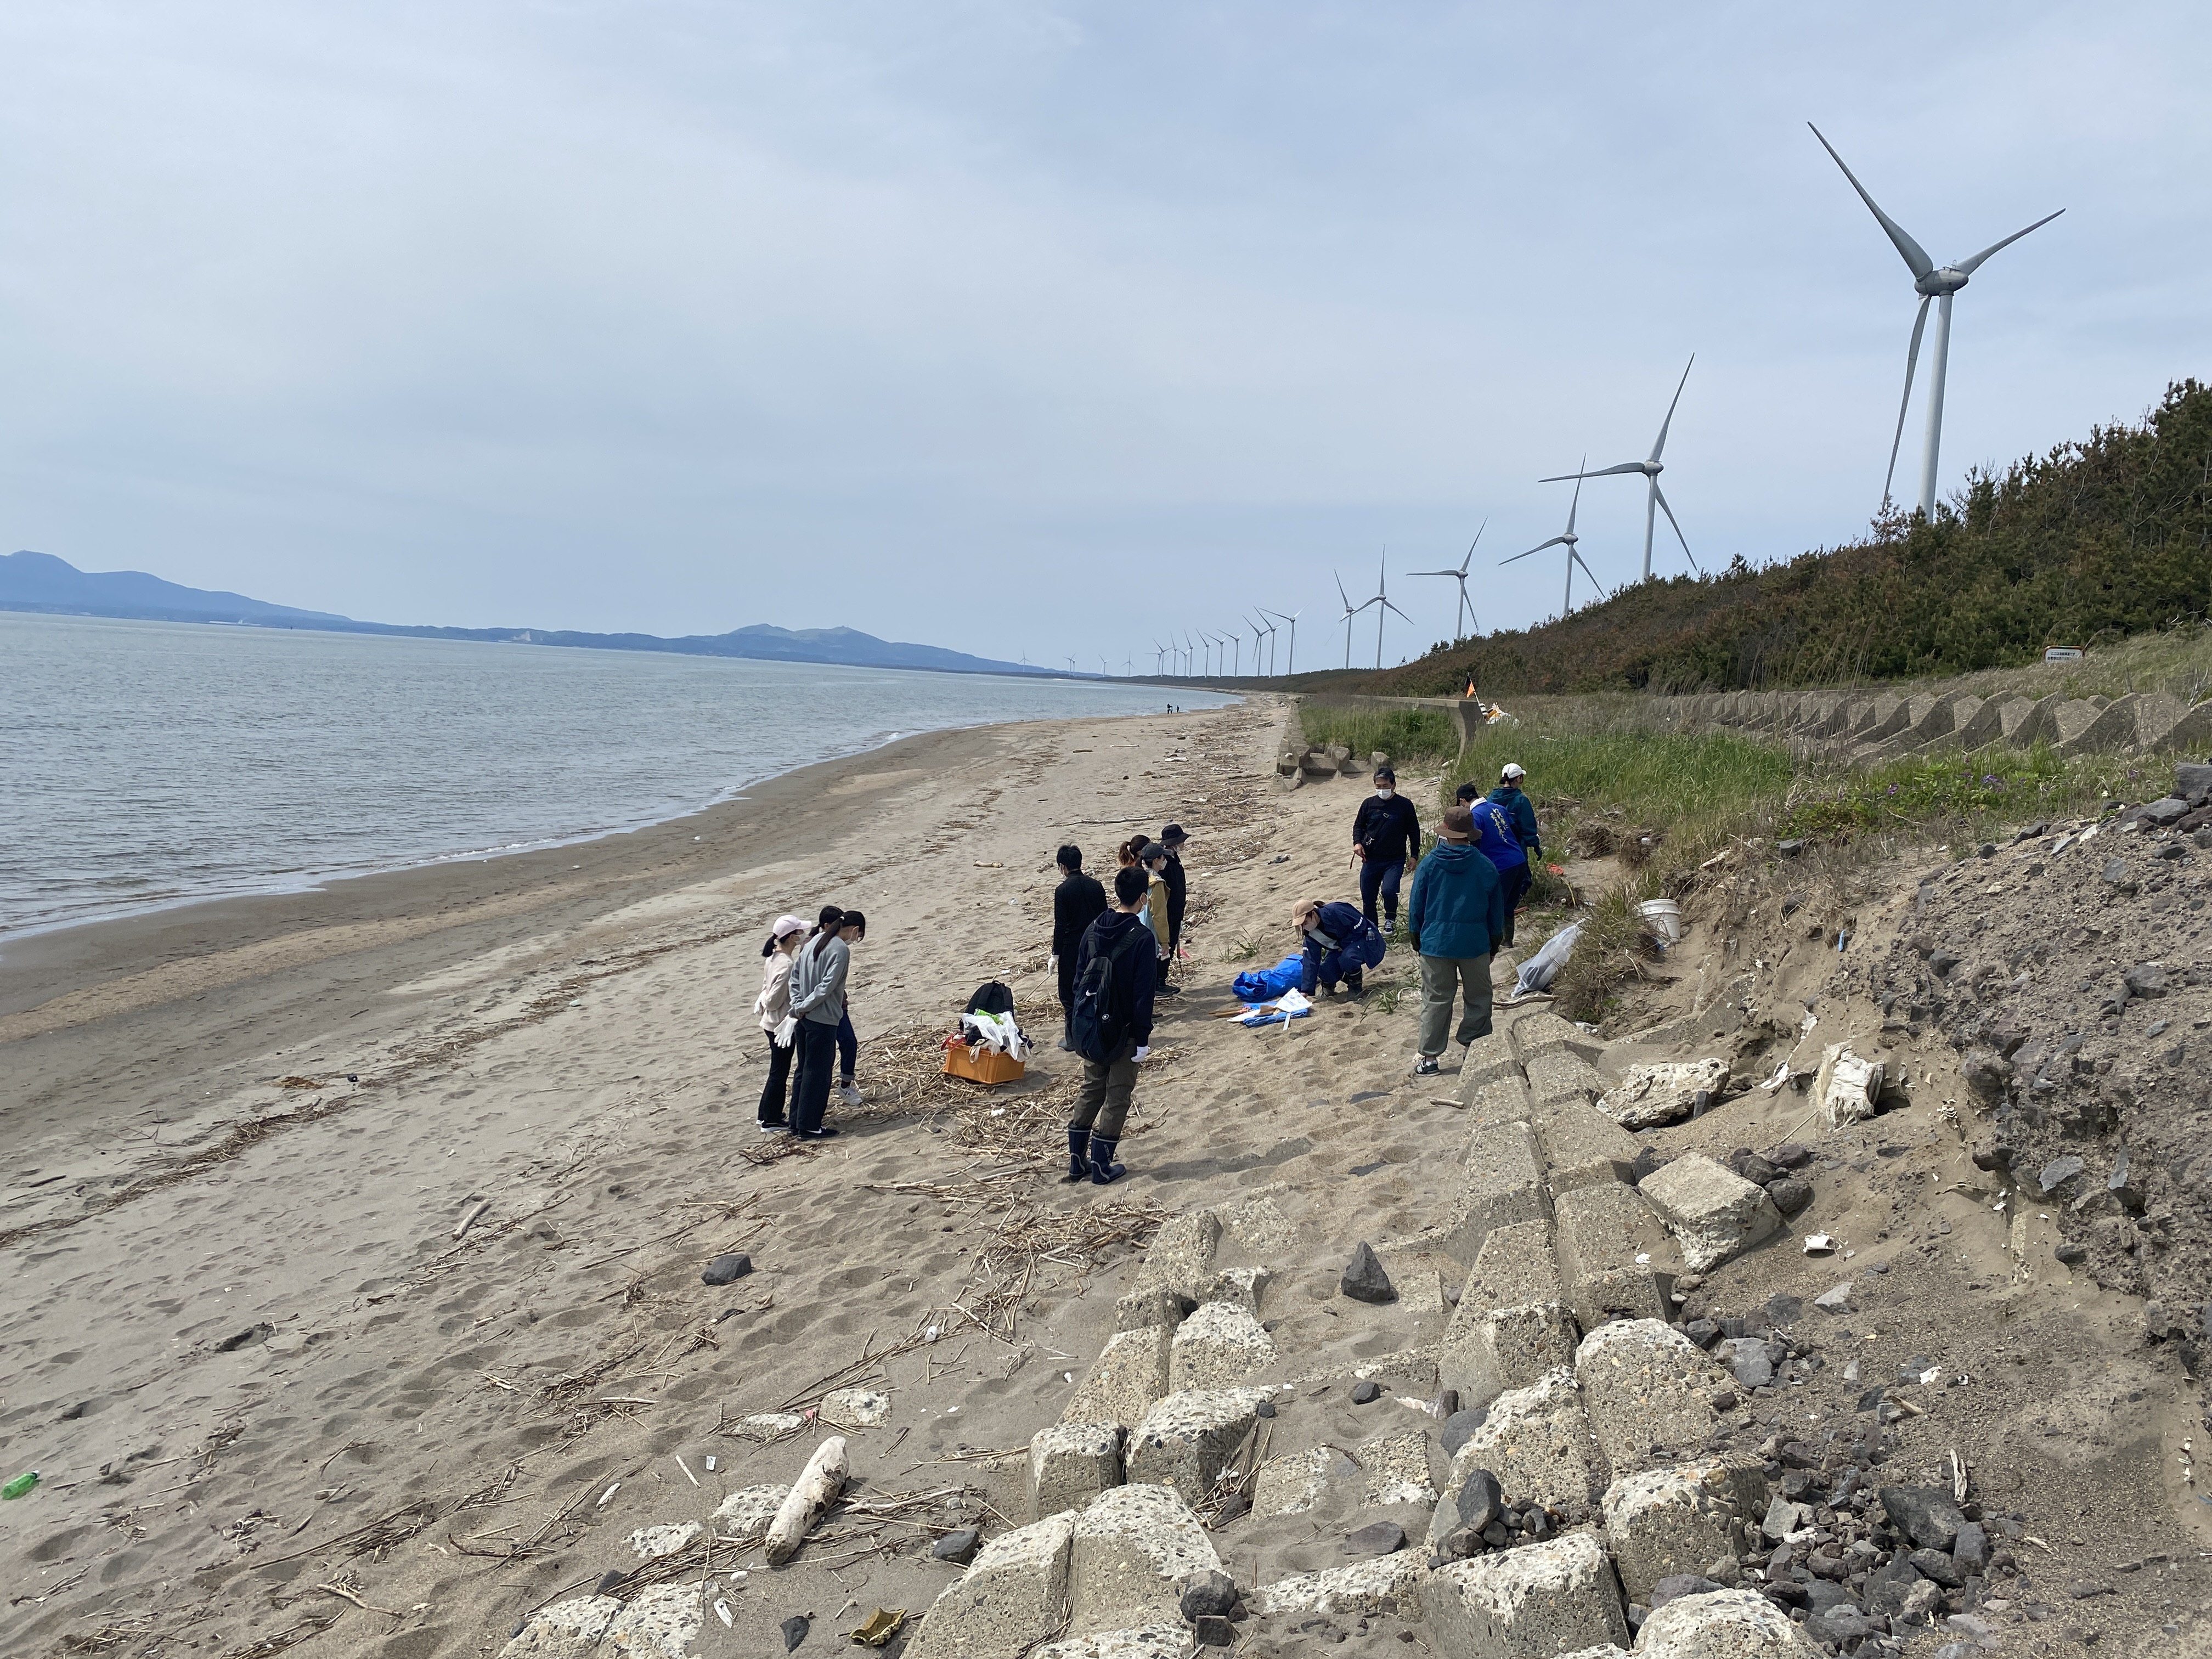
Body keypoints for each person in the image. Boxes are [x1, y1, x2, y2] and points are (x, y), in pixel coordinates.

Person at [1065, 864, 1158, 1186]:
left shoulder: (1092, 930)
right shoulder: (1142, 938)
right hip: (1124, 1030)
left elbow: (1078, 980)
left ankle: (1076, 1161)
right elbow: (1143, 995)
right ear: (1143, 898)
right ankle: (1102, 1165)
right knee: (1118, 1094)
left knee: (1092, 1087)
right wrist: (1143, 1039)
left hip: (1091, 1026)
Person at [1405, 803, 1507, 1076]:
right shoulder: (1485, 866)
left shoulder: (1429, 864)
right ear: (1470, 834)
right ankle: (1474, 1047)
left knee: (1436, 999)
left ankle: (1430, 1058)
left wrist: (1417, 939)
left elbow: (1416, 907)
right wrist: (1494, 945)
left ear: (1446, 832)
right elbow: (1496, 913)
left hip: (1435, 943)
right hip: (1475, 943)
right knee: (1479, 997)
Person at [786, 906, 859, 1137]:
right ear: (854, 930)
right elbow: (827, 987)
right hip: (822, 1018)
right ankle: (809, 1126)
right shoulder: (839, 948)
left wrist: (798, 1004)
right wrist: (803, 1006)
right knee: (818, 1073)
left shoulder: (813, 941)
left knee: (803, 1070)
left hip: (803, 1017)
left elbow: (795, 978)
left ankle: (796, 1122)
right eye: (858, 935)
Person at [1456, 780, 1530, 947]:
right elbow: (1516, 831)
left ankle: (1493, 942)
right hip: (1519, 860)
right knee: (1508, 904)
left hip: (1500, 865)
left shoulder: (1475, 816)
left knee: (1493, 905)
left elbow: (1475, 843)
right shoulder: (1498, 808)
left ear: (1462, 801)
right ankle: (1507, 940)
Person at [1050, 845, 1109, 1050]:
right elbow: (1104, 915)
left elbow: (1060, 925)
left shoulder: (1062, 891)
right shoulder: (1096, 885)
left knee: (1069, 994)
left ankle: (1074, 1038)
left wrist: (1055, 952)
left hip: (1072, 948)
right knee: (1095, 987)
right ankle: (1097, 1030)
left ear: (1062, 867)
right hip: (1095, 943)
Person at [752, 914, 809, 1130]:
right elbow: (774, 1001)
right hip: (779, 1024)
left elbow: (766, 986)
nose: (803, 934)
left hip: (771, 1023)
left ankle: (765, 1114)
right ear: (792, 937)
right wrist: (765, 999)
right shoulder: (787, 964)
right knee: (779, 1071)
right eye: (800, 932)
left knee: (777, 1070)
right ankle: (771, 1118)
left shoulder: (774, 957)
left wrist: (764, 996)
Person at [1351, 765, 1424, 933]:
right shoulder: (1368, 804)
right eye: (1378, 786)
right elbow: (1359, 826)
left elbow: (1414, 831)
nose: (1382, 789)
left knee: (1389, 891)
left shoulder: (1404, 805)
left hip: (1395, 859)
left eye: (1385, 786)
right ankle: (1372, 927)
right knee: (1368, 896)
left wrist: (1414, 855)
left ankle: (1390, 920)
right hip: (1371, 858)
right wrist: (1357, 843)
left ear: (1393, 785)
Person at [1293, 898, 1385, 996]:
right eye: (1301, 925)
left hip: (1366, 938)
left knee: (1348, 958)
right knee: (1326, 969)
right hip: (1342, 947)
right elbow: (1310, 960)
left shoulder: (1336, 910)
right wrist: (1305, 990)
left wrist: (1344, 944)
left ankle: (1355, 987)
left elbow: (1361, 924)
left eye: (1305, 922)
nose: (1305, 926)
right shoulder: (1310, 935)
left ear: (1313, 913)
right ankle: (1330, 986)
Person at [833, 910, 867, 1105]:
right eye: (858, 936)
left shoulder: (834, 946)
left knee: (849, 1043)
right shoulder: (835, 948)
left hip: (837, 1005)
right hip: (828, 1009)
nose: (855, 940)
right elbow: (826, 985)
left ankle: (845, 1085)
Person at [1138, 842, 1178, 996]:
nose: (1164, 861)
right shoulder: (1156, 882)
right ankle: (1156, 989)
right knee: (1153, 962)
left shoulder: (1138, 876)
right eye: (1163, 858)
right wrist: (1165, 941)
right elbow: (1159, 914)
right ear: (1156, 860)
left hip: (1138, 926)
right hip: (1151, 929)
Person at [1157, 823, 1189, 975]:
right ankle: (1160, 980)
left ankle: (1162, 978)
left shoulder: (1174, 857)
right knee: (1166, 946)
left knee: (1172, 943)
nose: (1183, 844)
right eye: (1181, 841)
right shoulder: (1164, 861)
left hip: (1177, 910)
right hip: (1168, 911)